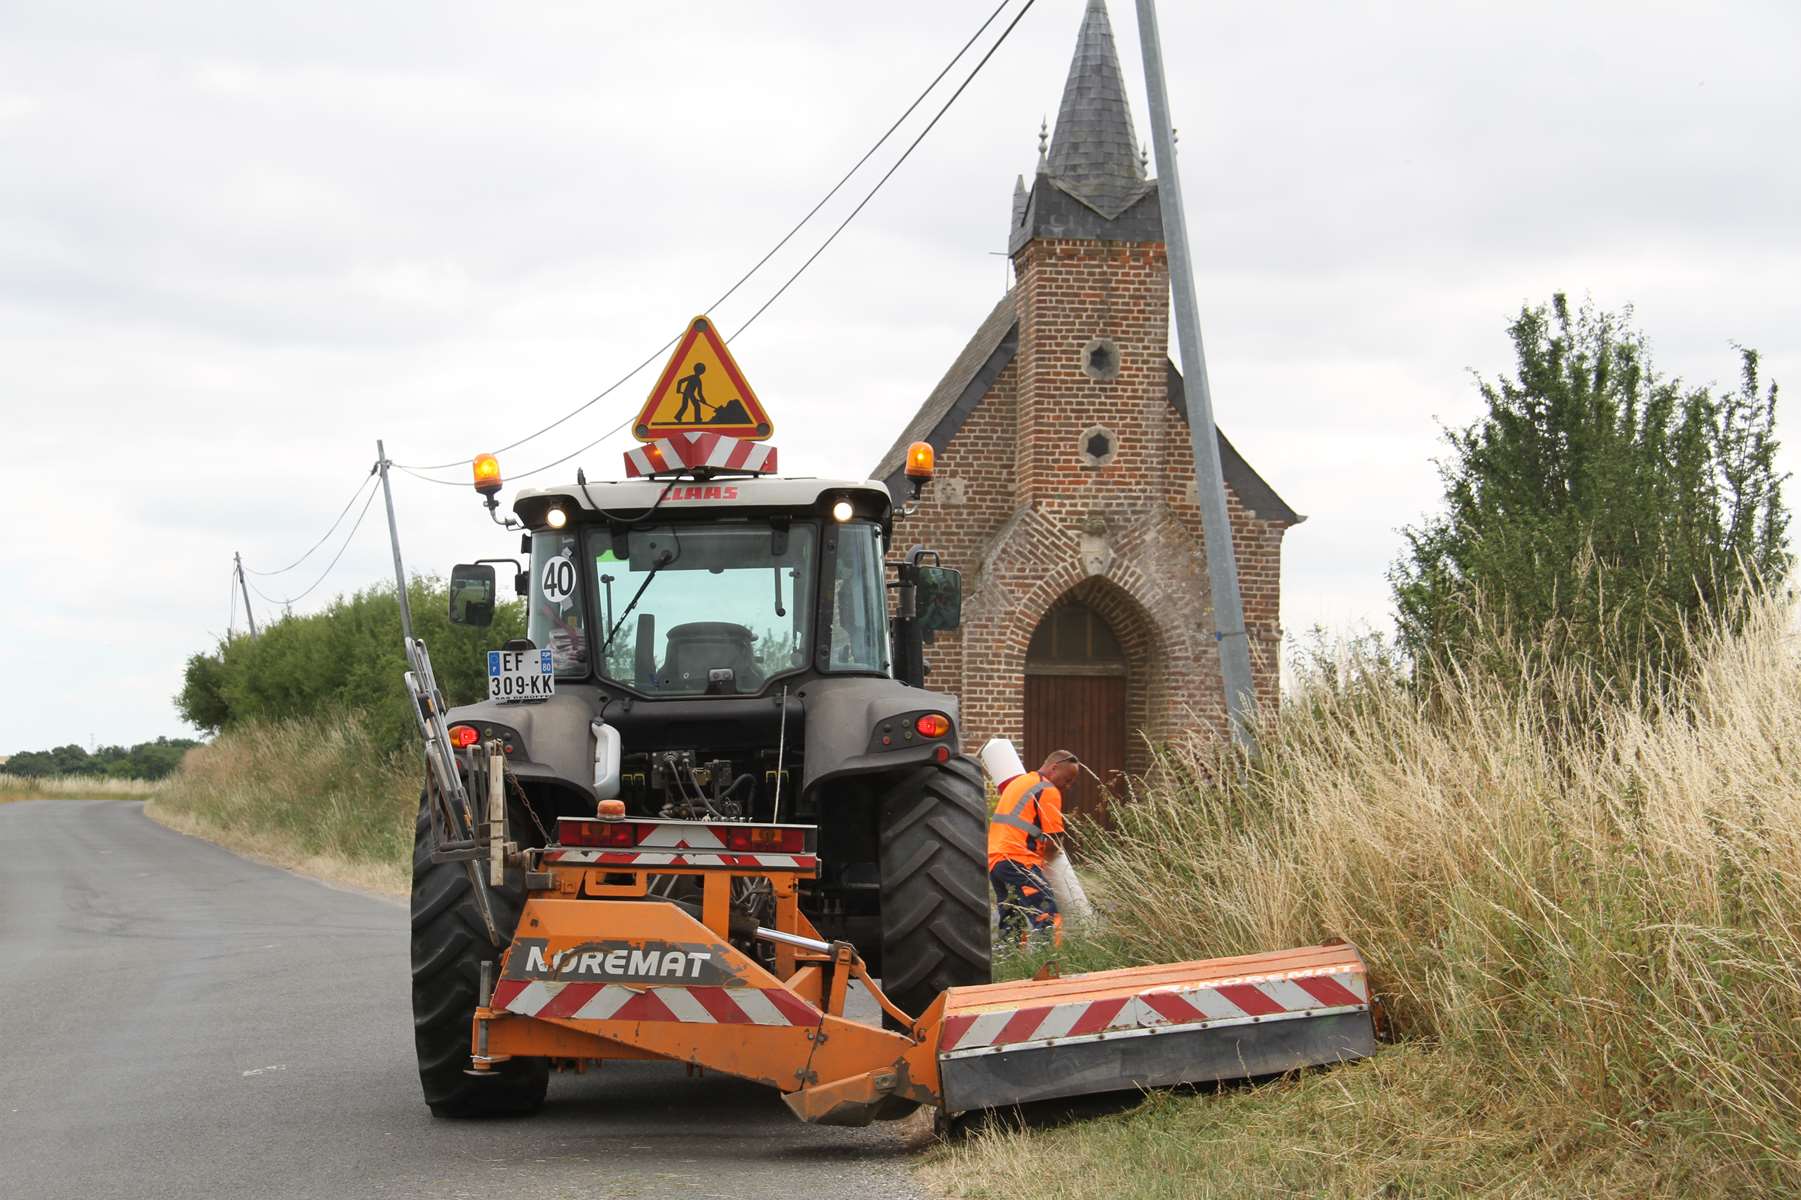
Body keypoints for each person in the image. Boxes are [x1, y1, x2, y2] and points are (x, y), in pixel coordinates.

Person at [987, 749, 1080, 945]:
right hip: (1018, 860)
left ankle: (1012, 962)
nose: (1069, 786)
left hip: (996, 863)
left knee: (1012, 917)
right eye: (1068, 779)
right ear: (1054, 768)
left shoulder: (1020, 783)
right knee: (1047, 913)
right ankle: (1048, 963)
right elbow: (1053, 840)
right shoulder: (1047, 789)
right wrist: (1045, 867)